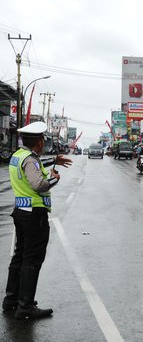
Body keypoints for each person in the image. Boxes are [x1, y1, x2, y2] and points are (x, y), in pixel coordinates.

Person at [2, 121, 72, 320]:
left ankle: (11, 301)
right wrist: (54, 178)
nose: (43, 142)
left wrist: (52, 161)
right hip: (34, 215)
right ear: (39, 142)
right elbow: (38, 184)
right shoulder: (31, 160)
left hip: (21, 211)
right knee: (32, 259)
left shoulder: (18, 156)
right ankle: (25, 307)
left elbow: (30, 166)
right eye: (42, 139)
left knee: (19, 256)